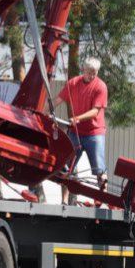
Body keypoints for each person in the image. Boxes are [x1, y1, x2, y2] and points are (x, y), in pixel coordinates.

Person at [55, 57, 109, 191]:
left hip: (94, 133)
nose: (91, 76)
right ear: (83, 70)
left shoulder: (100, 86)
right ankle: (64, 200)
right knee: (66, 168)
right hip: (75, 132)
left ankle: (103, 198)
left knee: (100, 170)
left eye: (94, 73)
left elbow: (95, 111)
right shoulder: (73, 83)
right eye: (89, 72)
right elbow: (57, 100)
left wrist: (78, 118)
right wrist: (43, 111)